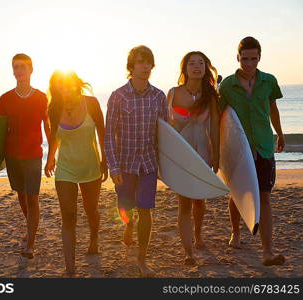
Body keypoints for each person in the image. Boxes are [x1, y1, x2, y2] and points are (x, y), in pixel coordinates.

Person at [219, 36, 285, 266]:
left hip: (264, 145)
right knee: (237, 193)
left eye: (253, 59)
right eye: (244, 59)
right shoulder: (226, 85)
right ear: (237, 57)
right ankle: (236, 232)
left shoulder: (269, 81)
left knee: (264, 196)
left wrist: (280, 133)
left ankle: (268, 251)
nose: (248, 64)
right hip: (239, 147)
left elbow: (273, 108)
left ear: (259, 57)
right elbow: (221, 118)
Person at [104, 45, 167, 277]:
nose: (145, 67)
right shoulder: (118, 96)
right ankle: (127, 224)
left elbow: (165, 134)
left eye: (148, 62)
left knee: (146, 210)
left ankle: (142, 260)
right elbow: (109, 133)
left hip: (149, 164)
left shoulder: (158, 96)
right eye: (140, 62)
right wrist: (113, 166)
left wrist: (166, 167)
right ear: (131, 66)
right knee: (125, 207)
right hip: (125, 164)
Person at [44, 70, 107, 276]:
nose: (66, 88)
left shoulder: (91, 103)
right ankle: (70, 267)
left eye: (69, 84)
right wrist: (50, 158)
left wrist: (105, 160)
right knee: (68, 216)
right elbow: (54, 135)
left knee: (91, 210)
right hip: (65, 170)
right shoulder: (54, 107)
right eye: (61, 85)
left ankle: (94, 237)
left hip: (90, 168)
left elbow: (102, 132)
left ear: (76, 83)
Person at [0, 54, 50, 259]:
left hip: (34, 155)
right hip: (12, 155)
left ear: (31, 70)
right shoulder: (5, 98)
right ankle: (31, 229)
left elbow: (49, 127)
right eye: (15, 67)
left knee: (33, 197)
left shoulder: (42, 97)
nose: (19, 71)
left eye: (22, 67)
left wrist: (52, 155)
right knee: (21, 196)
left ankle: (30, 242)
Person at [166, 51, 220, 265]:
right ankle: (188, 252)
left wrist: (216, 155)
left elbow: (214, 126)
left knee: (199, 200)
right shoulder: (173, 93)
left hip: (202, 154)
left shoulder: (210, 95)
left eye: (200, 63)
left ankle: (198, 234)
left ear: (206, 68)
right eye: (192, 63)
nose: (196, 66)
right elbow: (164, 125)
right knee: (184, 203)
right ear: (185, 68)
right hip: (180, 156)